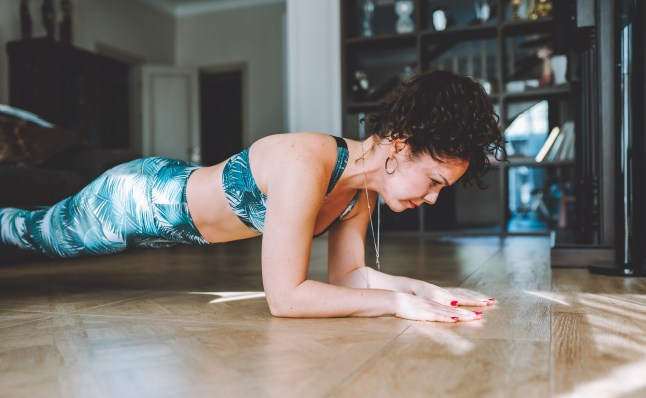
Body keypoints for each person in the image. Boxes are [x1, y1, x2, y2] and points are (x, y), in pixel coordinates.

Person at [0, 70, 505, 322]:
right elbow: (285, 298)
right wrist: (398, 305)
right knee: (29, 233)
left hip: (164, 216)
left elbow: (349, 278)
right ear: (401, 144)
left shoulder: (361, 193)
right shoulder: (307, 162)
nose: (435, 198)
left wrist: (426, 293)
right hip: (135, 198)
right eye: (435, 182)